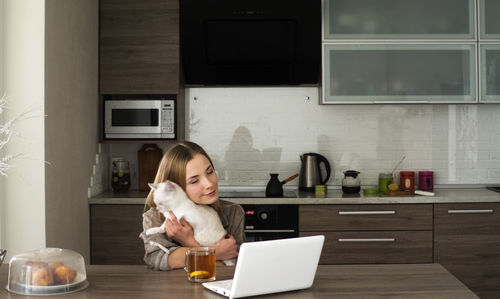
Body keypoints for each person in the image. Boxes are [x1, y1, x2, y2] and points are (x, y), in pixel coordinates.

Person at [139, 141, 245, 270]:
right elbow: (159, 260)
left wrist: (190, 243)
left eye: (210, 172)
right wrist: (216, 252)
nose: (209, 184)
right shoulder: (154, 217)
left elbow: (235, 266)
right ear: (176, 187)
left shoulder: (232, 212)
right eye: (194, 181)